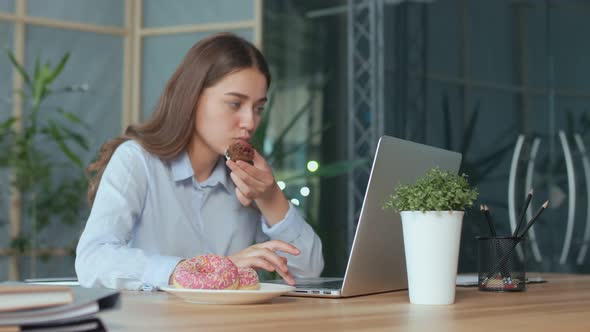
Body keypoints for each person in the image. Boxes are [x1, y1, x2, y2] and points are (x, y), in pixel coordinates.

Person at [75, 33, 324, 290]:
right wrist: (193, 271)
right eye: (235, 103)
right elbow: (92, 259)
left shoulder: (247, 181)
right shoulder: (137, 161)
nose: (249, 122)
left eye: (258, 108)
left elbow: (309, 270)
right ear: (192, 98)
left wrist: (271, 197)